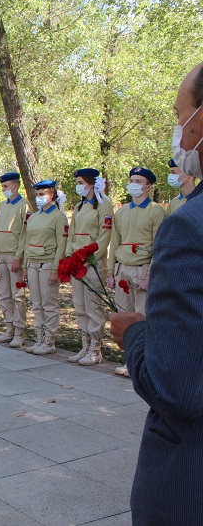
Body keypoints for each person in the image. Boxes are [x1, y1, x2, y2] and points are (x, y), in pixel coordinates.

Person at [109, 62, 203, 526]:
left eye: (180, 115)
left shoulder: (188, 224)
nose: (179, 134)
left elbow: (178, 387)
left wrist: (136, 337)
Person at [106, 167, 166, 377]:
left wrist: (150, 275)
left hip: (142, 269)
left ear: (148, 186)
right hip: (123, 267)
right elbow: (115, 243)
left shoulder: (156, 211)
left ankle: (145, 361)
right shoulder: (121, 212)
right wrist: (111, 271)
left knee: (142, 317)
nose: (134, 184)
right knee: (124, 316)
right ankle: (129, 360)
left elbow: (158, 244)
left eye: (139, 181)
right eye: (132, 180)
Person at [64, 168, 113, 365]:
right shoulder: (78, 207)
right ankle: (84, 343)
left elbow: (104, 235)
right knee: (80, 304)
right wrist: (70, 256)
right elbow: (72, 234)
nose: (78, 187)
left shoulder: (103, 205)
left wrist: (91, 257)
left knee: (94, 305)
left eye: (81, 183)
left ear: (91, 184)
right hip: (77, 261)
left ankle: (95, 347)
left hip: (92, 262)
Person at [23, 180, 67, 355]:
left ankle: (49, 340)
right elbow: (28, 241)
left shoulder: (59, 217)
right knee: (36, 303)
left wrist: (56, 269)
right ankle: (39, 337)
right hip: (33, 262)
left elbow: (61, 245)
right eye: (37, 194)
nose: (39, 198)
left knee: (49, 303)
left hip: (48, 263)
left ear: (52, 195)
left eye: (42, 194)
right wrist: (26, 265)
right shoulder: (34, 216)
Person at [0, 172, 31, 348]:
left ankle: (20, 332)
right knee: (4, 294)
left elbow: (25, 234)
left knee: (18, 295)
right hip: (1, 254)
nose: (3, 190)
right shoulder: (2, 205)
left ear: (15, 186)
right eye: (2, 187)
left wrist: (18, 257)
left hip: (14, 255)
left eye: (6, 186)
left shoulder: (24, 206)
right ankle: (9, 329)